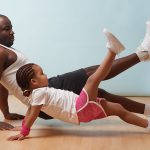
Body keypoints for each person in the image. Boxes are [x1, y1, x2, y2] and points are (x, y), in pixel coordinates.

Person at [0, 14, 150, 129]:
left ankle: (148, 110)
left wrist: (6, 113)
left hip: (45, 97)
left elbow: (2, 85)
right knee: (90, 74)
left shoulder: (6, 49)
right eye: (7, 29)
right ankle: (143, 53)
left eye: (11, 27)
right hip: (45, 94)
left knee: (100, 94)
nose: (12, 32)